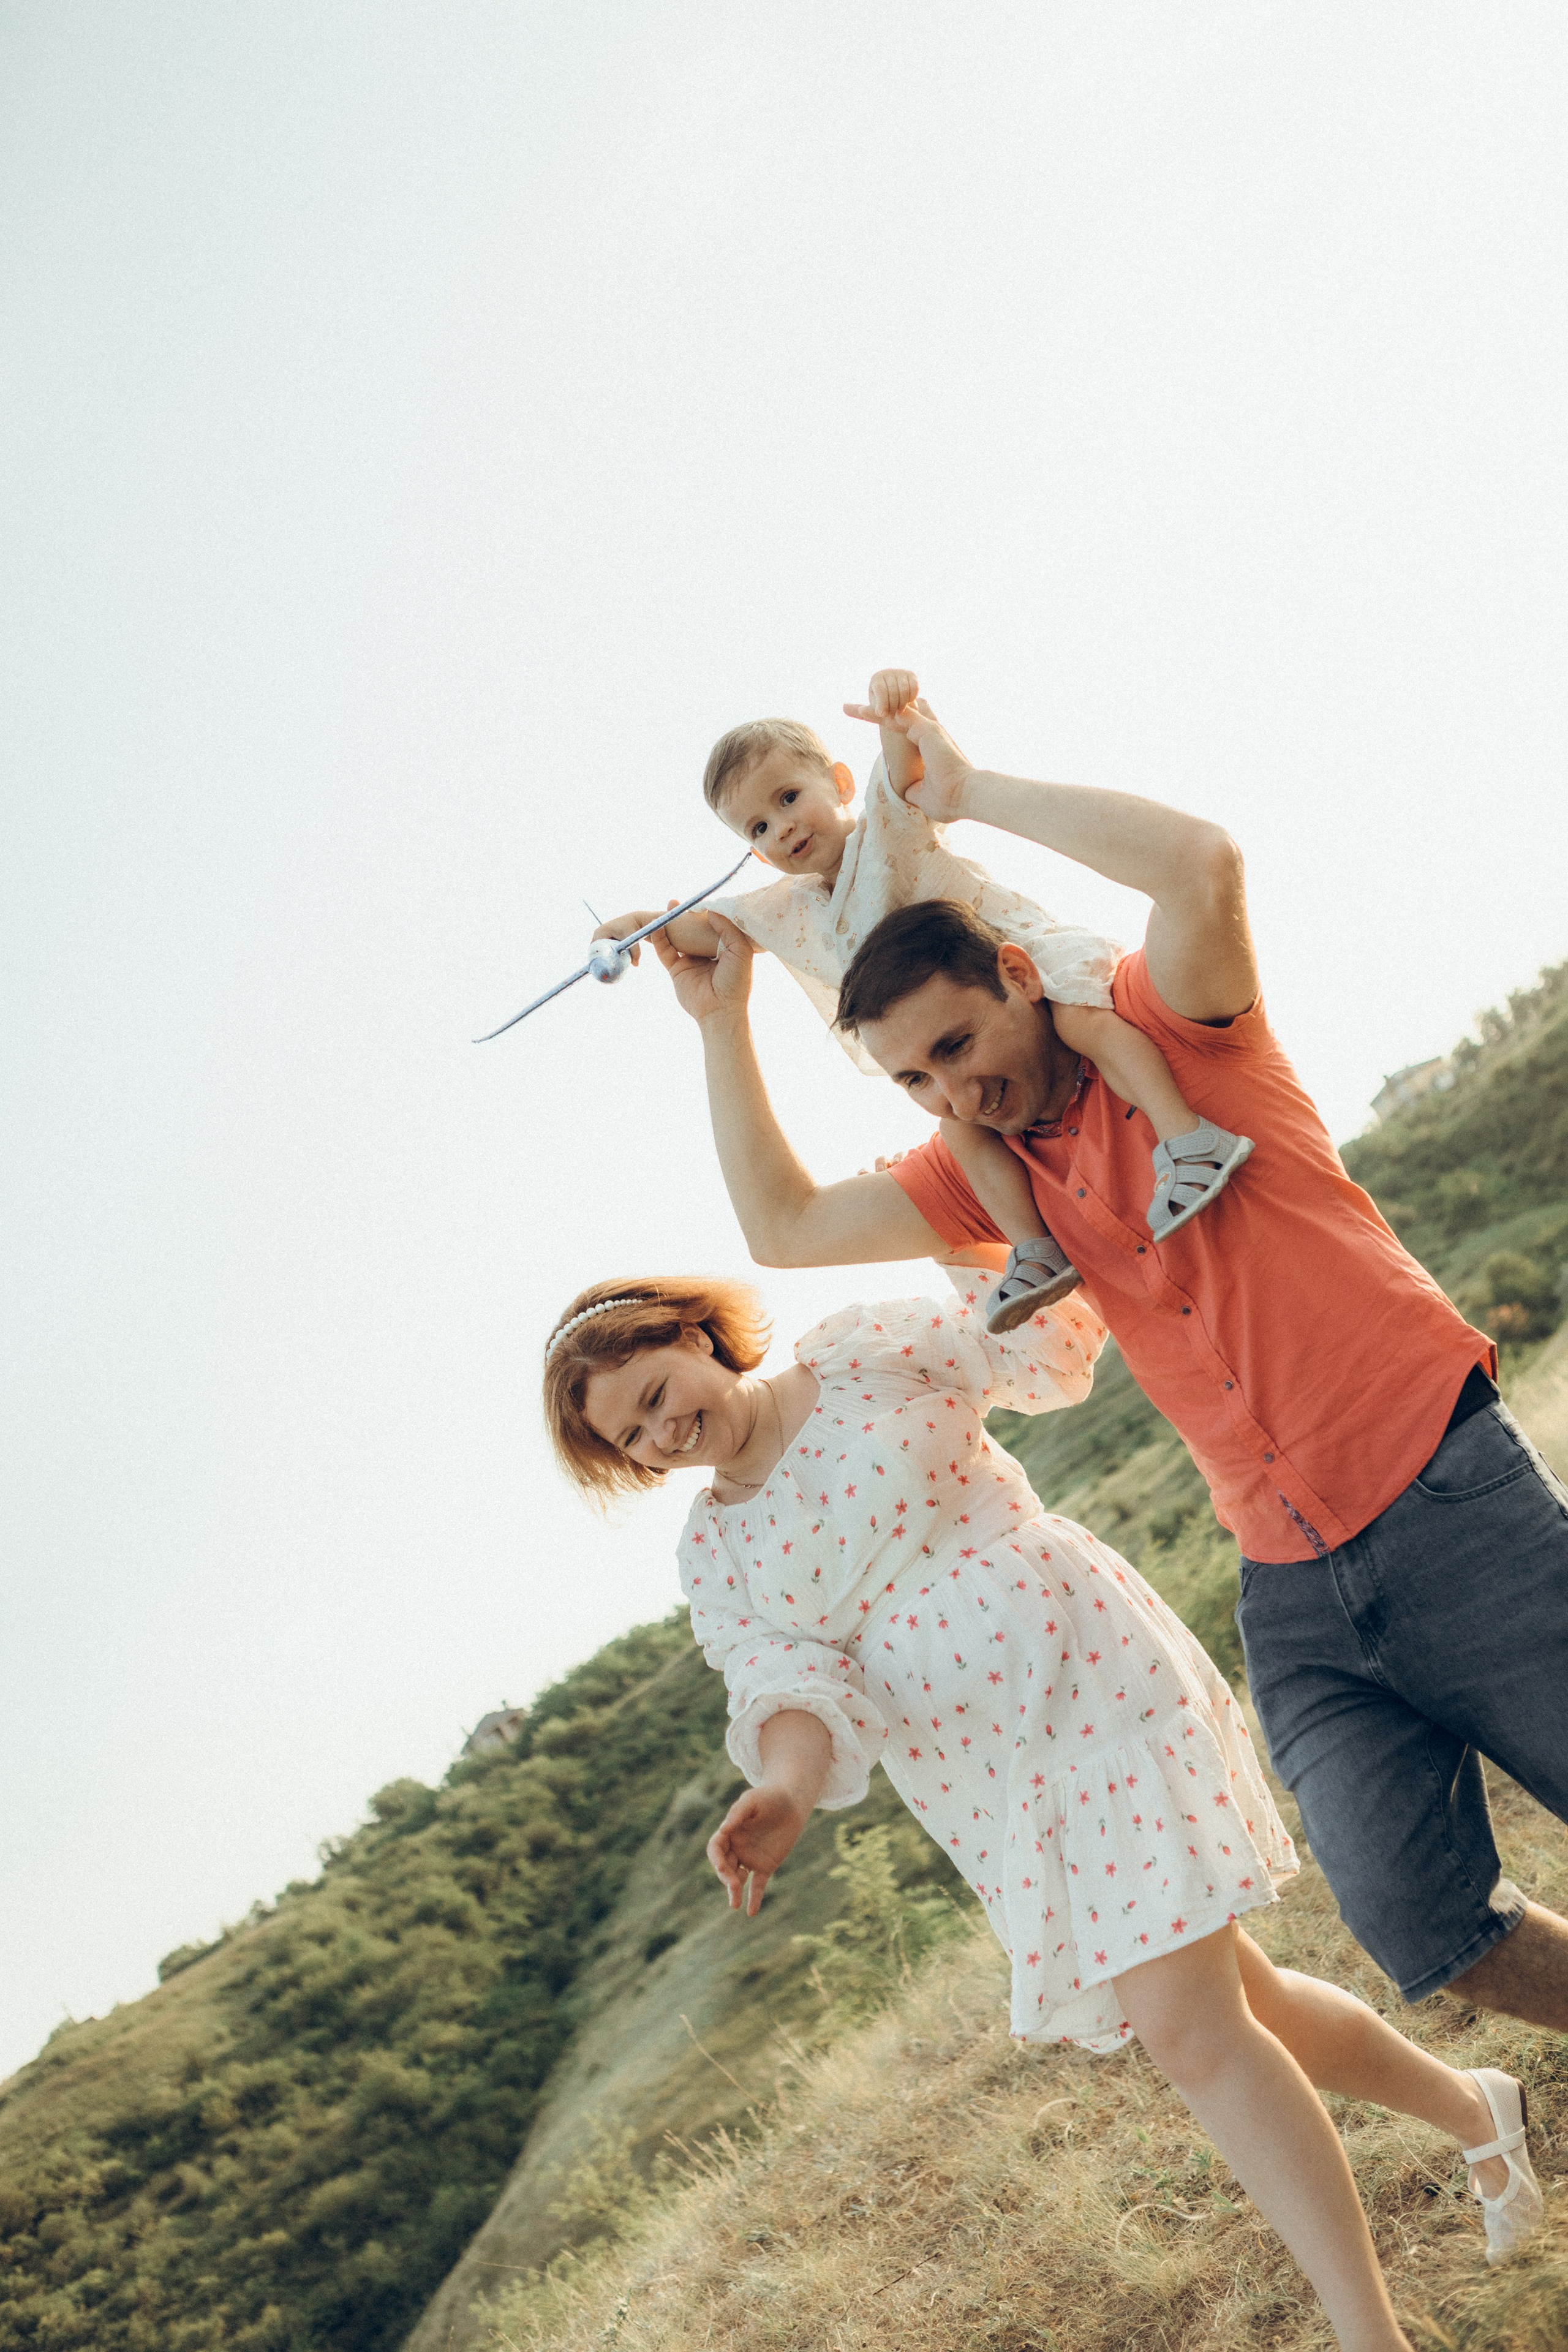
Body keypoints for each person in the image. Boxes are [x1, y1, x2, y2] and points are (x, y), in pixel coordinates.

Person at [647, 694, 1568, 2054]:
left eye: (955, 1048)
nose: (949, 1095)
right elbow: (781, 1230)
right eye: (911, 1080)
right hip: (1291, 1586)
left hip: (1442, 1490)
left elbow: (1200, 864)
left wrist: (960, 787)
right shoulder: (989, 1171)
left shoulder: (1180, 1040)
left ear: (1021, 977)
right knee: (1418, 1927)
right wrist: (718, 1019)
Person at [540, 1272, 1542, 2349]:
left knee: (1190, 2032)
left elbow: (1032, 1353)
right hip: (981, 1782)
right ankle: (1475, 2109)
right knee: (1246, 2001)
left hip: (1085, 1677)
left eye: (653, 1390)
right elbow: (785, 1682)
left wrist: (983, 1244)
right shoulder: (715, 1551)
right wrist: (783, 1791)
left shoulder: (861, 1352)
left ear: (695, 1335)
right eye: (632, 1435)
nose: (662, 1428)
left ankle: (1369, 2338)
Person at [592, 669, 1251, 1331]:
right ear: (754, 854)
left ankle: (1186, 1136)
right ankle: (1034, 1247)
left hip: (1019, 961)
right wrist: (637, 929)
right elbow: (710, 929)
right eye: (758, 827)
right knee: (957, 1121)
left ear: (841, 784)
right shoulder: (789, 908)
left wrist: (891, 710)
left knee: (1086, 1021)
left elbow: (907, 769)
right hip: (952, 1011)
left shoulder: (884, 830)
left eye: (790, 798)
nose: (783, 828)